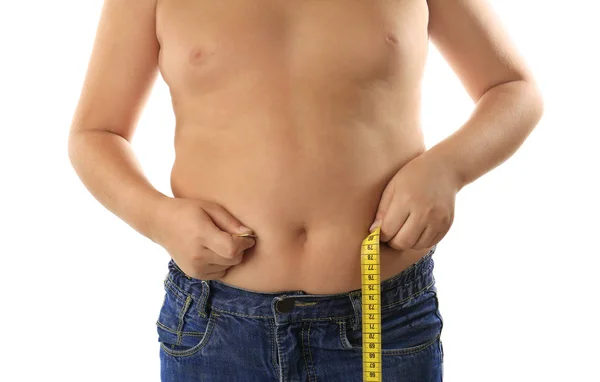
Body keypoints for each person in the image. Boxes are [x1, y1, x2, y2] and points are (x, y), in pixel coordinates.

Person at [68, 0, 543, 381]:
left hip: (383, 318)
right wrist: (157, 218)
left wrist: (447, 168)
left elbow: (513, 87)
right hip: (216, 327)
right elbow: (95, 133)